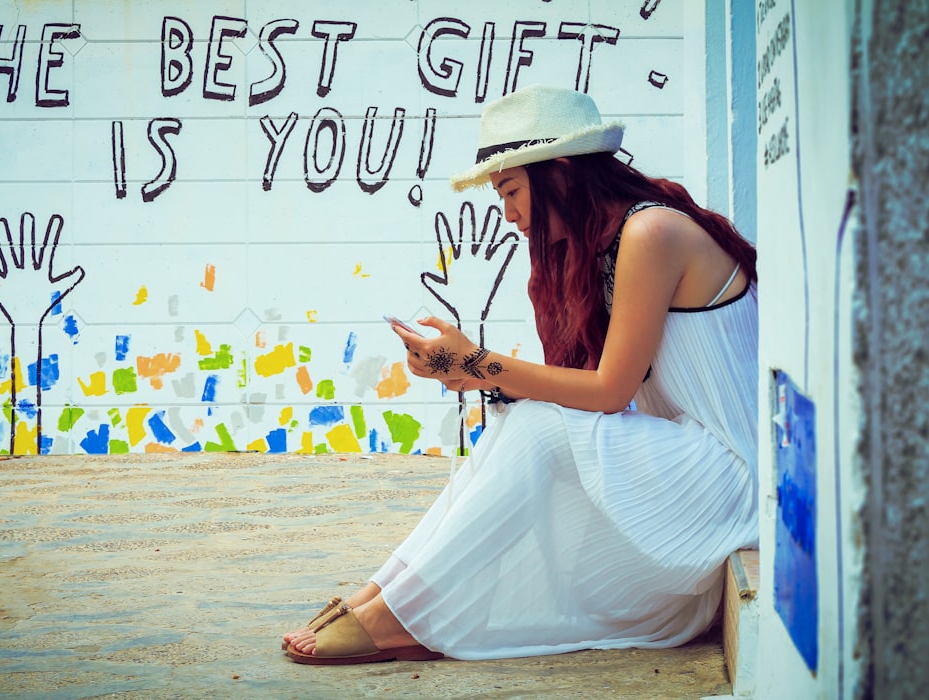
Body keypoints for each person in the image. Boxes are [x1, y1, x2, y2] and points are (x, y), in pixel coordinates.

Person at [282, 84, 759, 665]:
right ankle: (382, 592)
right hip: (691, 463)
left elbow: (610, 393)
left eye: (510, 190)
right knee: (521, 421)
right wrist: (479, 374)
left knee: (534, 427)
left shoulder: (649, 233)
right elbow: (585, 391)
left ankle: (394, 613)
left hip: (732, 478)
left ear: (559, 173)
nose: (507, 214)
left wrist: (479, 365)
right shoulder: (605, 243)